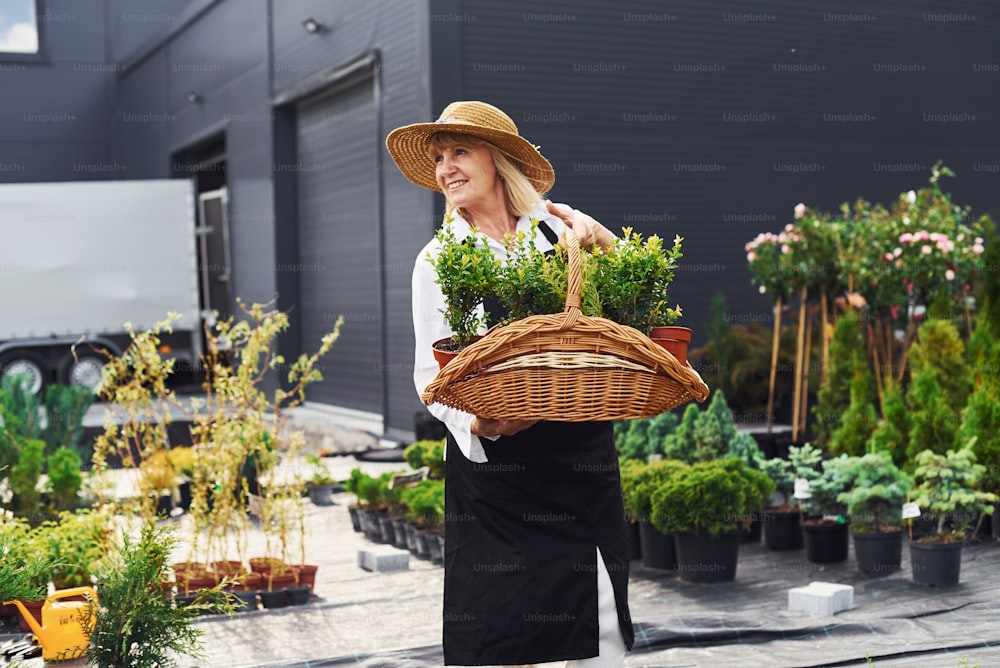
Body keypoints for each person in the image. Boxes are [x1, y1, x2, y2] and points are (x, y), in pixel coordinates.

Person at [386, 101, 634, 667]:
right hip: (499, 475)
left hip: (579, 455)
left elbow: (625, 313)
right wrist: (479, 422)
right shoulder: (440, 259)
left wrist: (604, 241)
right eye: (439, 157)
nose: (445, 167)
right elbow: (433, 375)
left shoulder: (557, 230)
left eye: (459, 152)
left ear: (497, 161)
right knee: (501, 628)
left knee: (598, 621)